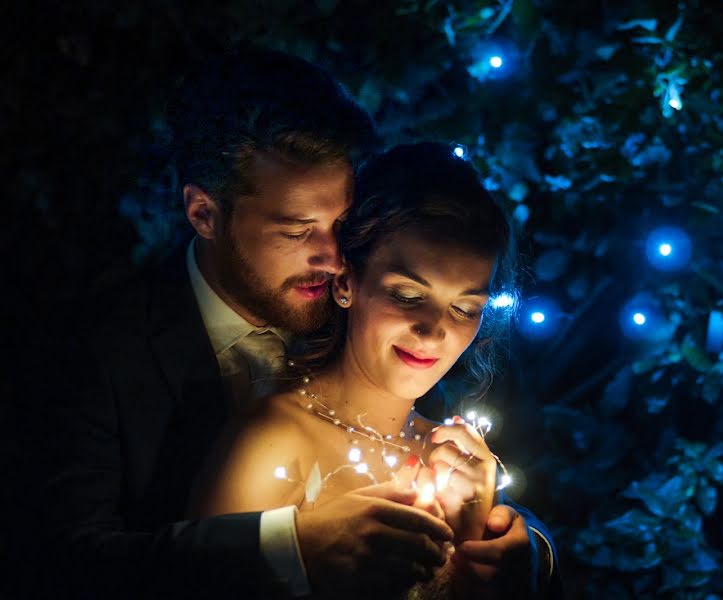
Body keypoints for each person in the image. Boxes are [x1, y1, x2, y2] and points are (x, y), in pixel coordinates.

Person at [35, 49, 558, 599]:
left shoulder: (380, 310)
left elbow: (481, 468)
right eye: (295, 230)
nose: (335, 256)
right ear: (204, 214)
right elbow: (65, 563)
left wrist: (526, 548)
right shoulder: (97, 351)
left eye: (341, 223)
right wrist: (291, 551)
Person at [188, 141, 555, 599]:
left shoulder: (457, 461)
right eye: (407, 295)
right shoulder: (274, 439)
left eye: (464, 308)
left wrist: (495, 547)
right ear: (346, 283)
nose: (433, 331)